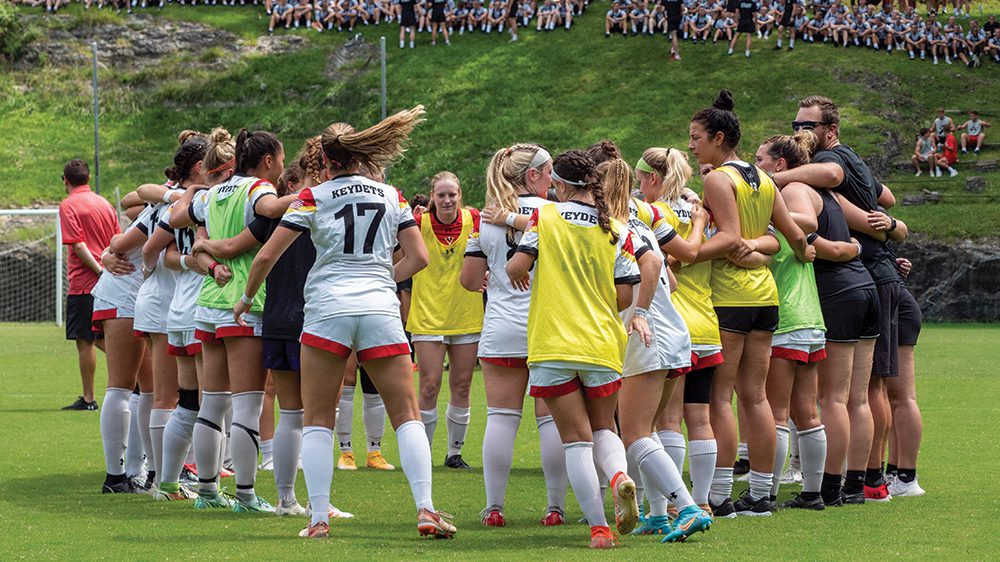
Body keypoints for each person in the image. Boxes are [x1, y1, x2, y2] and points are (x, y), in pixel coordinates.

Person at [236, 105, 457, 540]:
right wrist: (379, 279)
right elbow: (419, 257)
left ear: (324, 159)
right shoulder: (391, 195)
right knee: (407, 415)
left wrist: (246, 299)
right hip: (379, 309)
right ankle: (426, 508)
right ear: (359, 154)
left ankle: (318, 517)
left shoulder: (312, 197)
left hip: (327, 311)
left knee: (316, 417)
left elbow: (265, 255)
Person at [506, 150, 642, 549]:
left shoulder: (544, 218)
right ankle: (619, 477)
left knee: (576, 441)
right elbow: (624, 295)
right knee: (604, 428)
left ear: (561, 186)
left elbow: (516, 269)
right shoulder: (617, 228)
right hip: (601, 343)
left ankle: (599, 528)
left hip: (553, 342)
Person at [689, 89, 812, 517]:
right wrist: (767, 248)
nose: (692, 145)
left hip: (729, 298)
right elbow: (793, 239)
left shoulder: (718, 179)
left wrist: (684, 254)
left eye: (697, 137)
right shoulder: (763, 178)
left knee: (720, 398)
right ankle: (762, 495)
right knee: (756, 398)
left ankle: (720, 495)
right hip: (766, 299)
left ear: (719, 138)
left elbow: (726, 238)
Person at [772, 95, 900, 504]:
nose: (799, 131)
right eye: (796, 126)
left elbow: (813, 221)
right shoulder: (836, 180)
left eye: (806, 125)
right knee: (857, 398)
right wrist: (883, 232)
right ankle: (855, 485)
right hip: (866, 285)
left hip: (842, 291)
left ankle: (826, 489)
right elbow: (886, 201)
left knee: (834, 399)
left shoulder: (818, 173)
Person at [169, 129, 295, 512]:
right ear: (268, 161)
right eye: (282, 159)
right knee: (247, 405)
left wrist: (205, 251)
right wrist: (313, 195)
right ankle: (245, 495)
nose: (284, 167)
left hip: (207, 304)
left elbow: (177, 219)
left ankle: (207, 492)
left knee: (213, 403)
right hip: (243, 304)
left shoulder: (211, 194)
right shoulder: (256, 189)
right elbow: (273, 211)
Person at [601, 156, 714, 543]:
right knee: (648, 429)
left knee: (633, 433)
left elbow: (651, 267)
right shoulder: (642, 216)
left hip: (645, 335)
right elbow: (673, 279)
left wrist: (639, 311)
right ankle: (658, 515)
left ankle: (687, 508)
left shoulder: (613, 227)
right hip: (674, 332)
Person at [467, 143, 569, 527]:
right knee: (550, 421)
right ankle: (555, 508)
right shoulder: (553, 213)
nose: (553, 181)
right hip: (546, 328)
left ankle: (494, 508)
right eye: (548, 174)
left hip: (501, 326)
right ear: (532, 176)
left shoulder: (486, 218)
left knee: (500, 418)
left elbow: (470, 280)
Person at [641, 148, 725, 518]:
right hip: (706, 322)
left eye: (641, 178)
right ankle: (703, 499)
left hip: (672, 324)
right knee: (701, 417)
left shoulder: (652, 214)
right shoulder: (702, 212)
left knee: (667, 421)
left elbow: (670, 260)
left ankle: (676, 504)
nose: (638, 185)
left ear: (653, 178)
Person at [754, 132, 830, 510]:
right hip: (812, 319)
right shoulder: (792, 218)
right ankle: (812, 493)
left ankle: (765, 492)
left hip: (786, 319)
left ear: (779, 165)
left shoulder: (776, 215)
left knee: (776, 410)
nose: (756, 167)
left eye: (760, 160)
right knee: (808, 412)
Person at [408, 172, 483, 469]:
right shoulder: (418, 223)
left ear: (460, 195)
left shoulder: (474, 219)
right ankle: (423, 451)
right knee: (429, 385)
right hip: (428, 315)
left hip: (466, 312)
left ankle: (454, 452)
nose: (447, 200)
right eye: (441, 195)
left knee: (462, 385)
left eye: (452, 194)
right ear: (432, 197)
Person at [59, 159, 119, 412]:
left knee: (86, 339)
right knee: (105, 337)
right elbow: (117, 238)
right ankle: (139, 376)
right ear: (89, 178)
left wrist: (99, 270)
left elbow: (78, 245)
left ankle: (88, 398)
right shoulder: (104, 203)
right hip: (110, 280)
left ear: (65, 180)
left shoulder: (68, 205)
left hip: (86, 282)